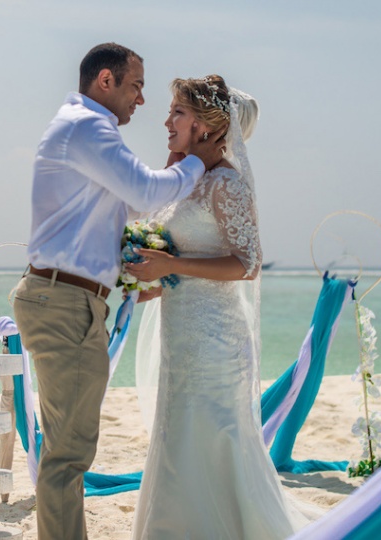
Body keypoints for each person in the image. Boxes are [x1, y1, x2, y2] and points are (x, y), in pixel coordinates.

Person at [12, 43, 227, 540]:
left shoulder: (83, 128)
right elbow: (145, 192)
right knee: (69, 454)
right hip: (63, 301)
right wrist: (197, 160)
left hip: (64, 298)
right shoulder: (87, 127)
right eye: (136, 86)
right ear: (105, 80)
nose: (142, 100)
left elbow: (130, 206)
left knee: (68, 449)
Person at [125, 75, 301, 539]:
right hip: (179, 329)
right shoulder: (185, 180)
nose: (166, 121)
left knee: (212, 430)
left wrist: (172, 265)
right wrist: (152, 282)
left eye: (177, 112)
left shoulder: (227, 183)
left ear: (204, 125)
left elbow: (248, 264)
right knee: (178, 428)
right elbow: (175, 252)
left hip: (216, 336)